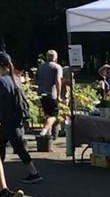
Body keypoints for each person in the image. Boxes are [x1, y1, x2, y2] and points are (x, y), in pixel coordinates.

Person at [0, 52, 42, 183]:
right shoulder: (15, 78)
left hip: (7, 119)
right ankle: (32, 172)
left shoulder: (2, 81)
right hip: (17, 118)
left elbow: (3, 103)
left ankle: (33, 173)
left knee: (16, 147)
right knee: (15, 146)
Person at [37, 50, 63, 137]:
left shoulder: (40, 67)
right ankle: (44, 131)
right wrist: (58, 96)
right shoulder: (57, 67)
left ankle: (48, 134)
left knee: (47, 114)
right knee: (53, 116)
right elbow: (58, 81)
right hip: (51, 94)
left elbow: (36, 80)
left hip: (41, 93)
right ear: (55, 57)